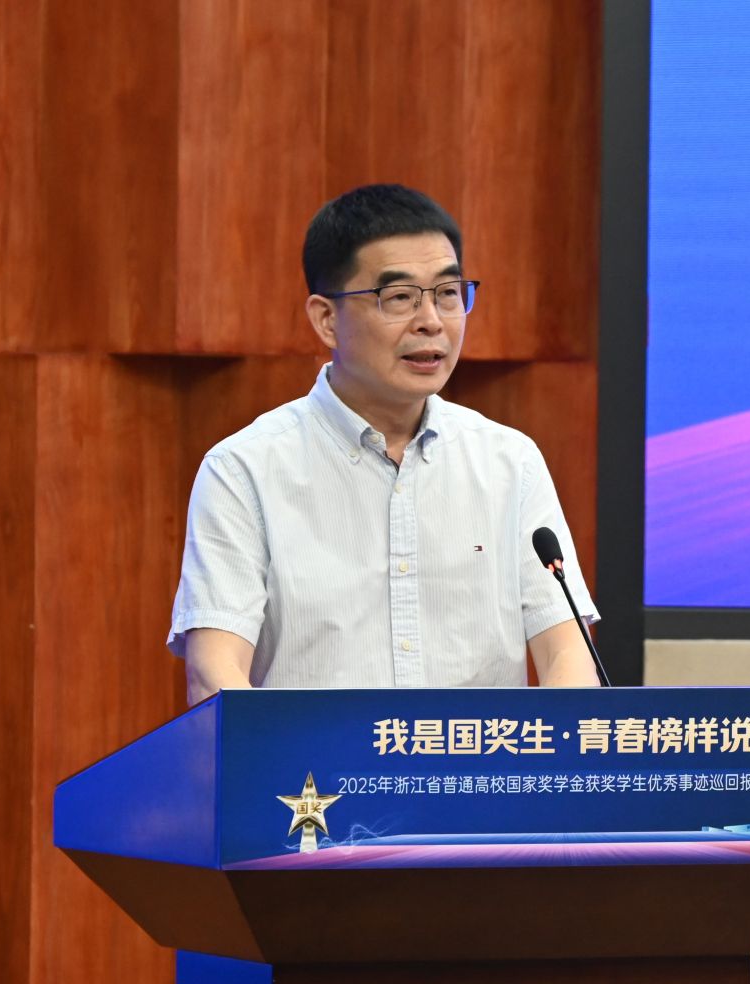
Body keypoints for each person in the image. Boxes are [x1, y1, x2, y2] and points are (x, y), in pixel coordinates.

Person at [168, 184, 601, 702]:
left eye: (447, 293)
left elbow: (568, 654)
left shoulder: (510, 462)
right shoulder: (244, 469)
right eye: (399, 298)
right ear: (327, 319)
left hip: (470, 759)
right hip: (315, 760)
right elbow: (215, 674)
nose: (431, 321)